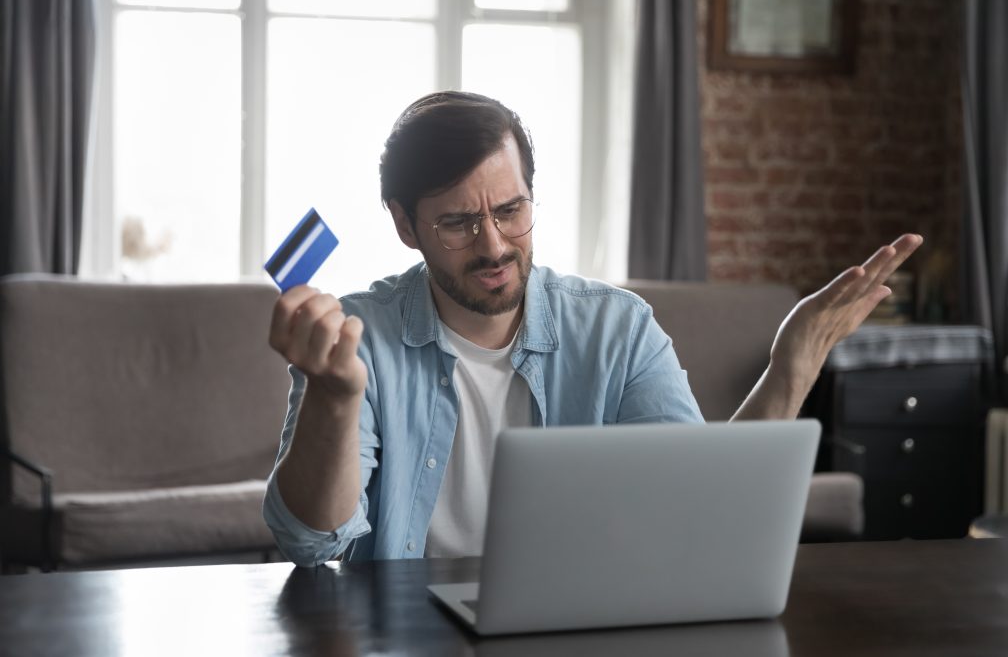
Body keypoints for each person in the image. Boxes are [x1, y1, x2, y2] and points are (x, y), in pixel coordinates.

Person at [262, 91, 921, 566]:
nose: (494, 245)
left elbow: (700, 505)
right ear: (405, 225)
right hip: (408, 633)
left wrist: (794, 362)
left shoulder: (618, 329)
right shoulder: (357, 337)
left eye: (512, 209)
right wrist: (337, 397)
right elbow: (310, 540)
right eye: (459, 222)